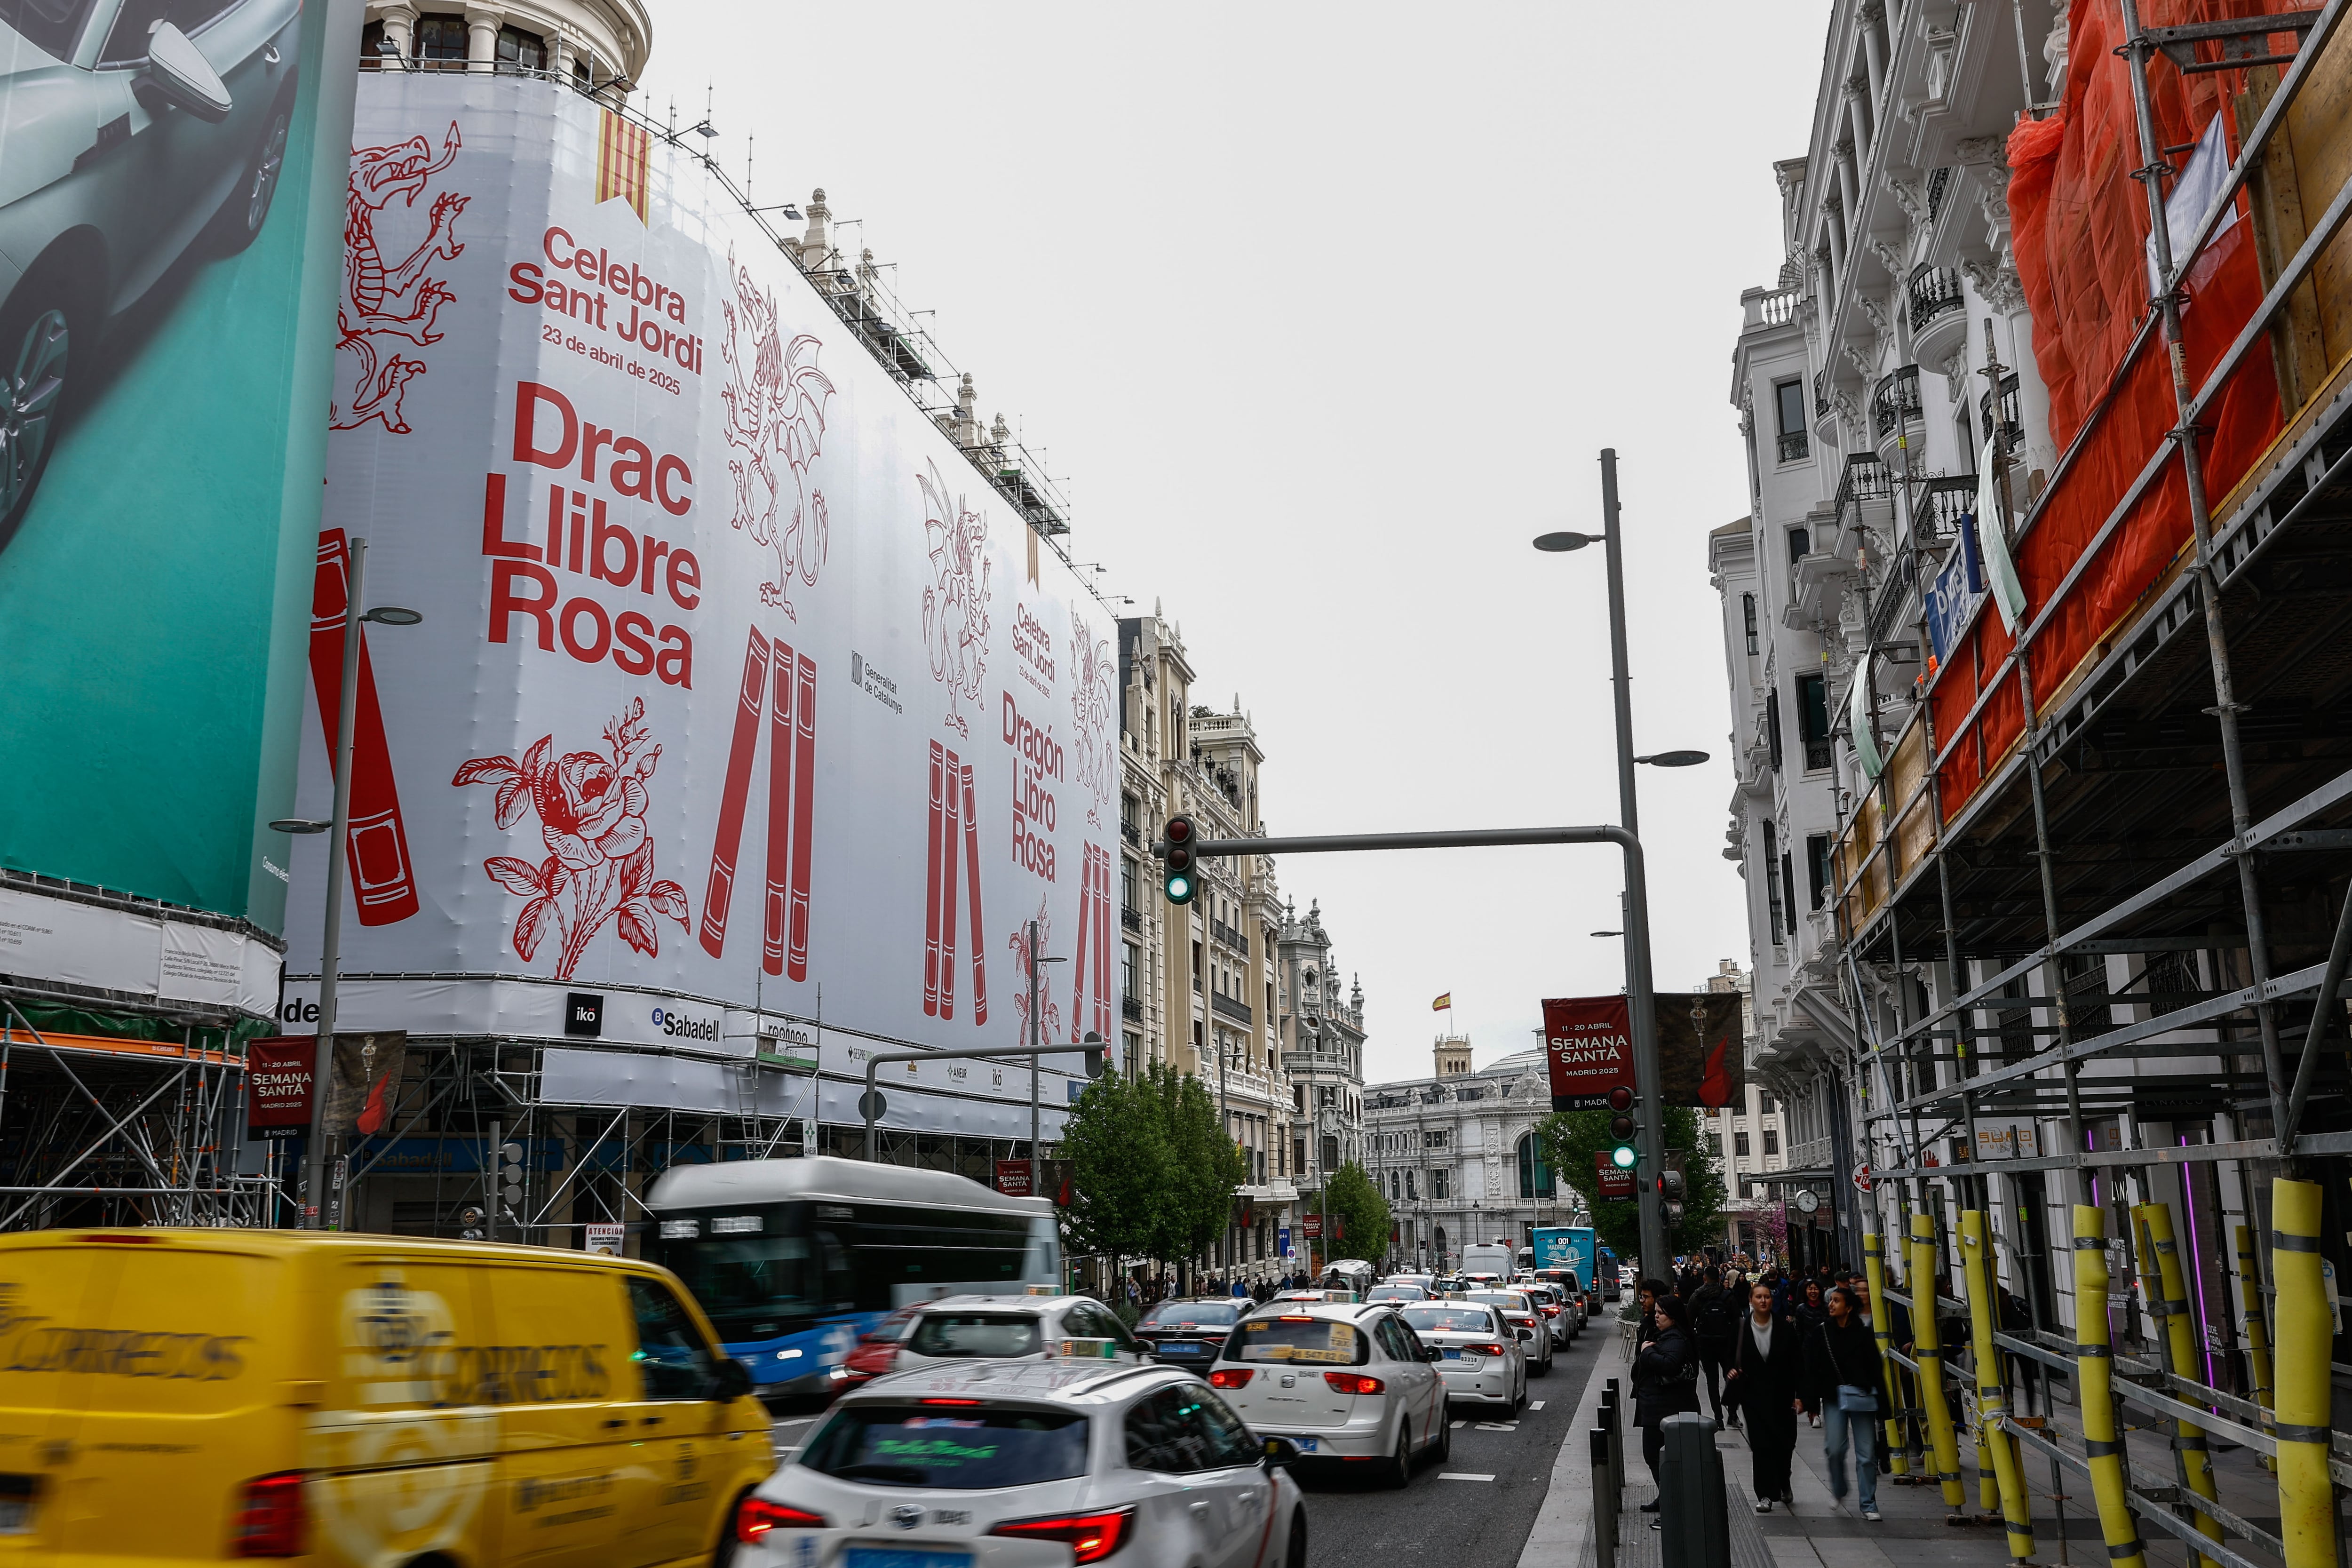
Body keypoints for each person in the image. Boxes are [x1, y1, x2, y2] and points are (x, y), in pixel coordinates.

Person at [1805, 1285, 1888, 1520]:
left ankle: (1868, 1503)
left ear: (1849, 1307)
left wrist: (1884, 1405)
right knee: (1834, 1448)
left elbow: (1876, 1369)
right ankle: (1839, 1488)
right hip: (1834, 1397)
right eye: (1831, 1301)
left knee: (1866, 1454)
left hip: (1862, 1397)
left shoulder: (1863, 1335)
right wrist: (1811, 1401)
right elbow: (1811, 1368)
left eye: (1837, 1301)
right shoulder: (1821, 1334)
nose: (1831, 1304)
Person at [1727, 1280, 1804, 1512]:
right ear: (1750, 1301)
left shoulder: (1785, 1329)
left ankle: (1784, 1480)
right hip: (1754, 1397)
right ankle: (1765, 1494)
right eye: (1758, 1297)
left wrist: (1801, 1396)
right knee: (1761, 1446)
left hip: (1782, 1396)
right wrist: (1731, 1370)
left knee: (1785, 1443)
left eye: (1767, 1297)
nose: (1763, 1300)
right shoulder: (1741, 1329)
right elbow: (1731, 1356)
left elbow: (1798, 1364)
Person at [1632, 1294, 1701, 1515]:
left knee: (1657, 1456)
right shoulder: (1664, 1336)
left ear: (1672, 1316)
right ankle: (1667, 1497)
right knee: (1656, 1456)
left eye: (1661, 1314)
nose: (1656, 1317)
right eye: (1656, 1313)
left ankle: (1671, 1501)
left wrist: (1647, 1352)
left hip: (1667, 1409)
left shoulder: (1676, 1340)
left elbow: (1669, 1365)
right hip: (1658, 1408)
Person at [1690, 1266, 1740, 1431]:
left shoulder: (1697, 1296)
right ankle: (1732, 1415)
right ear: (1719, 1278)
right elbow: (1738, 1321)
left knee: (1712, 1382)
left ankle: (1718, 1418)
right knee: (1731, 1378)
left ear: (1704, 1278)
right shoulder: (1727, 1296)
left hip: (1706, 1345)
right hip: (1727, 1344)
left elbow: (1689, 1321)